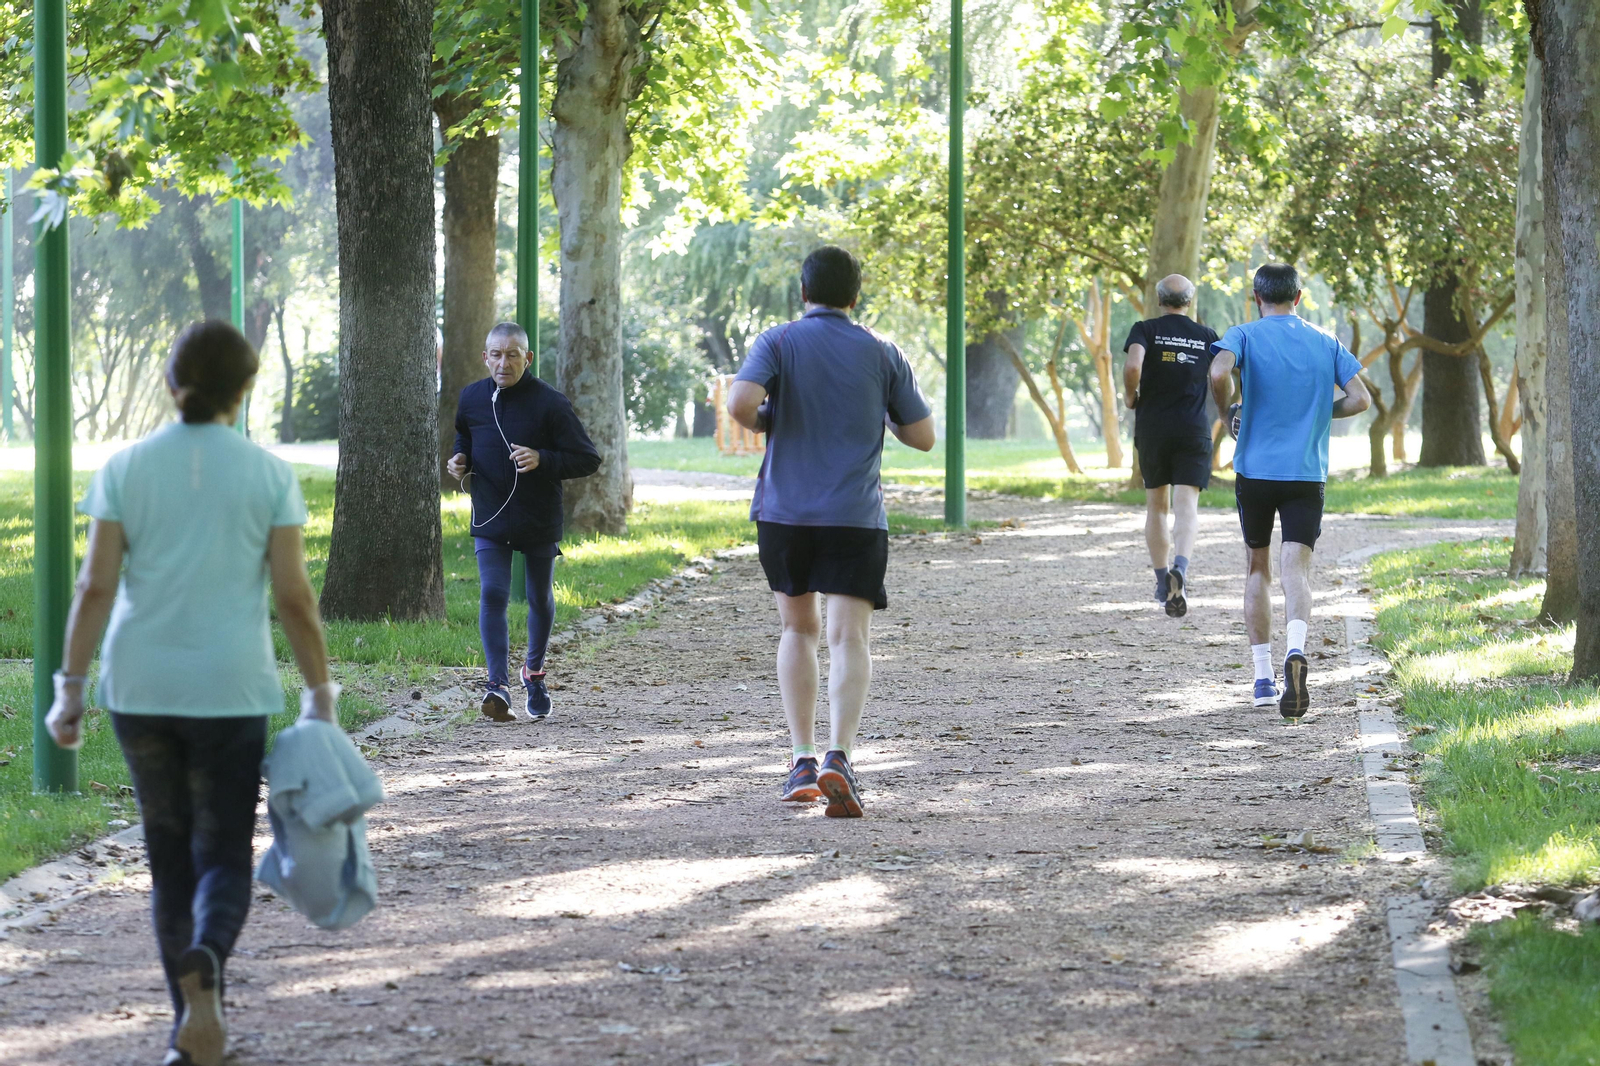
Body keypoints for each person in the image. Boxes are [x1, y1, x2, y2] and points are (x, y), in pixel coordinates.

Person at [45, 320, 338, 1066]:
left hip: (139, 687)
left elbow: (95, 586)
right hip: (233, 690)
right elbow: (295, 598)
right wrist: (320, 693)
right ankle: (208, 959)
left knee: (168, 857)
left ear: (171, 385)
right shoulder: (270, 475)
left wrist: (70, 690)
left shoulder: (126, 467)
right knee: (223, 857)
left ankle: (189, 1026)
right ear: (245, 393)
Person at [726, 245, 936, 818]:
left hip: (784, 513)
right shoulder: (883, 351)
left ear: (803, 292)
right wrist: (884, 413)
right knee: (849, 638)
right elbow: (923, 437)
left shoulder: (779, 341)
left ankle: (800, 758)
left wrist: (769, 419)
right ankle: (839, 756)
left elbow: (740, 403)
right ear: (856, 295)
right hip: (855, 515)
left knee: (798, 630)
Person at [1208, 264, 1370, 718]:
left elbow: (1220, 372)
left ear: (1255, 297)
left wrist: (1226, 415)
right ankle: (1294, 650)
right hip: (1305, 474)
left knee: (1257, 567)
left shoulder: (1242, 334)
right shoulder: (1325, 341)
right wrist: (1320, 412)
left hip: (1255, 472)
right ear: (1298, 297)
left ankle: (1262, 679)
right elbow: (1361, 399)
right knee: (1295, 568)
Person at [448, 323, 599, 722]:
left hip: (537, 515)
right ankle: (496, 685)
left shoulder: (550, 402)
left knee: (539, 597)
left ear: (527, 358)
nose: (504, 362)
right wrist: (459, 460)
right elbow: (463, 436)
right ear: (485, 358)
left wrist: (543, 459)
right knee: (493, 593)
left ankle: (534, 673)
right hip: (490, 512)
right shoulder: (472, 398)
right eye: (496, 354)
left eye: (513, 354)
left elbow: (587, 458)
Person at [1122, 273, 1219, 618]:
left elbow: (1133, 364)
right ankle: (1182, 567)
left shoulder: (1145, 330)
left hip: (1153, 429)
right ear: (1189, 302)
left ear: (1159, 300)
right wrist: (1223, 407)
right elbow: (1224, 375)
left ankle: (1163, 581)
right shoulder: (1208, 337)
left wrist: (1130, 396)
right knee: (1186, 504)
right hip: (1193, 430)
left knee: (1157, 507)